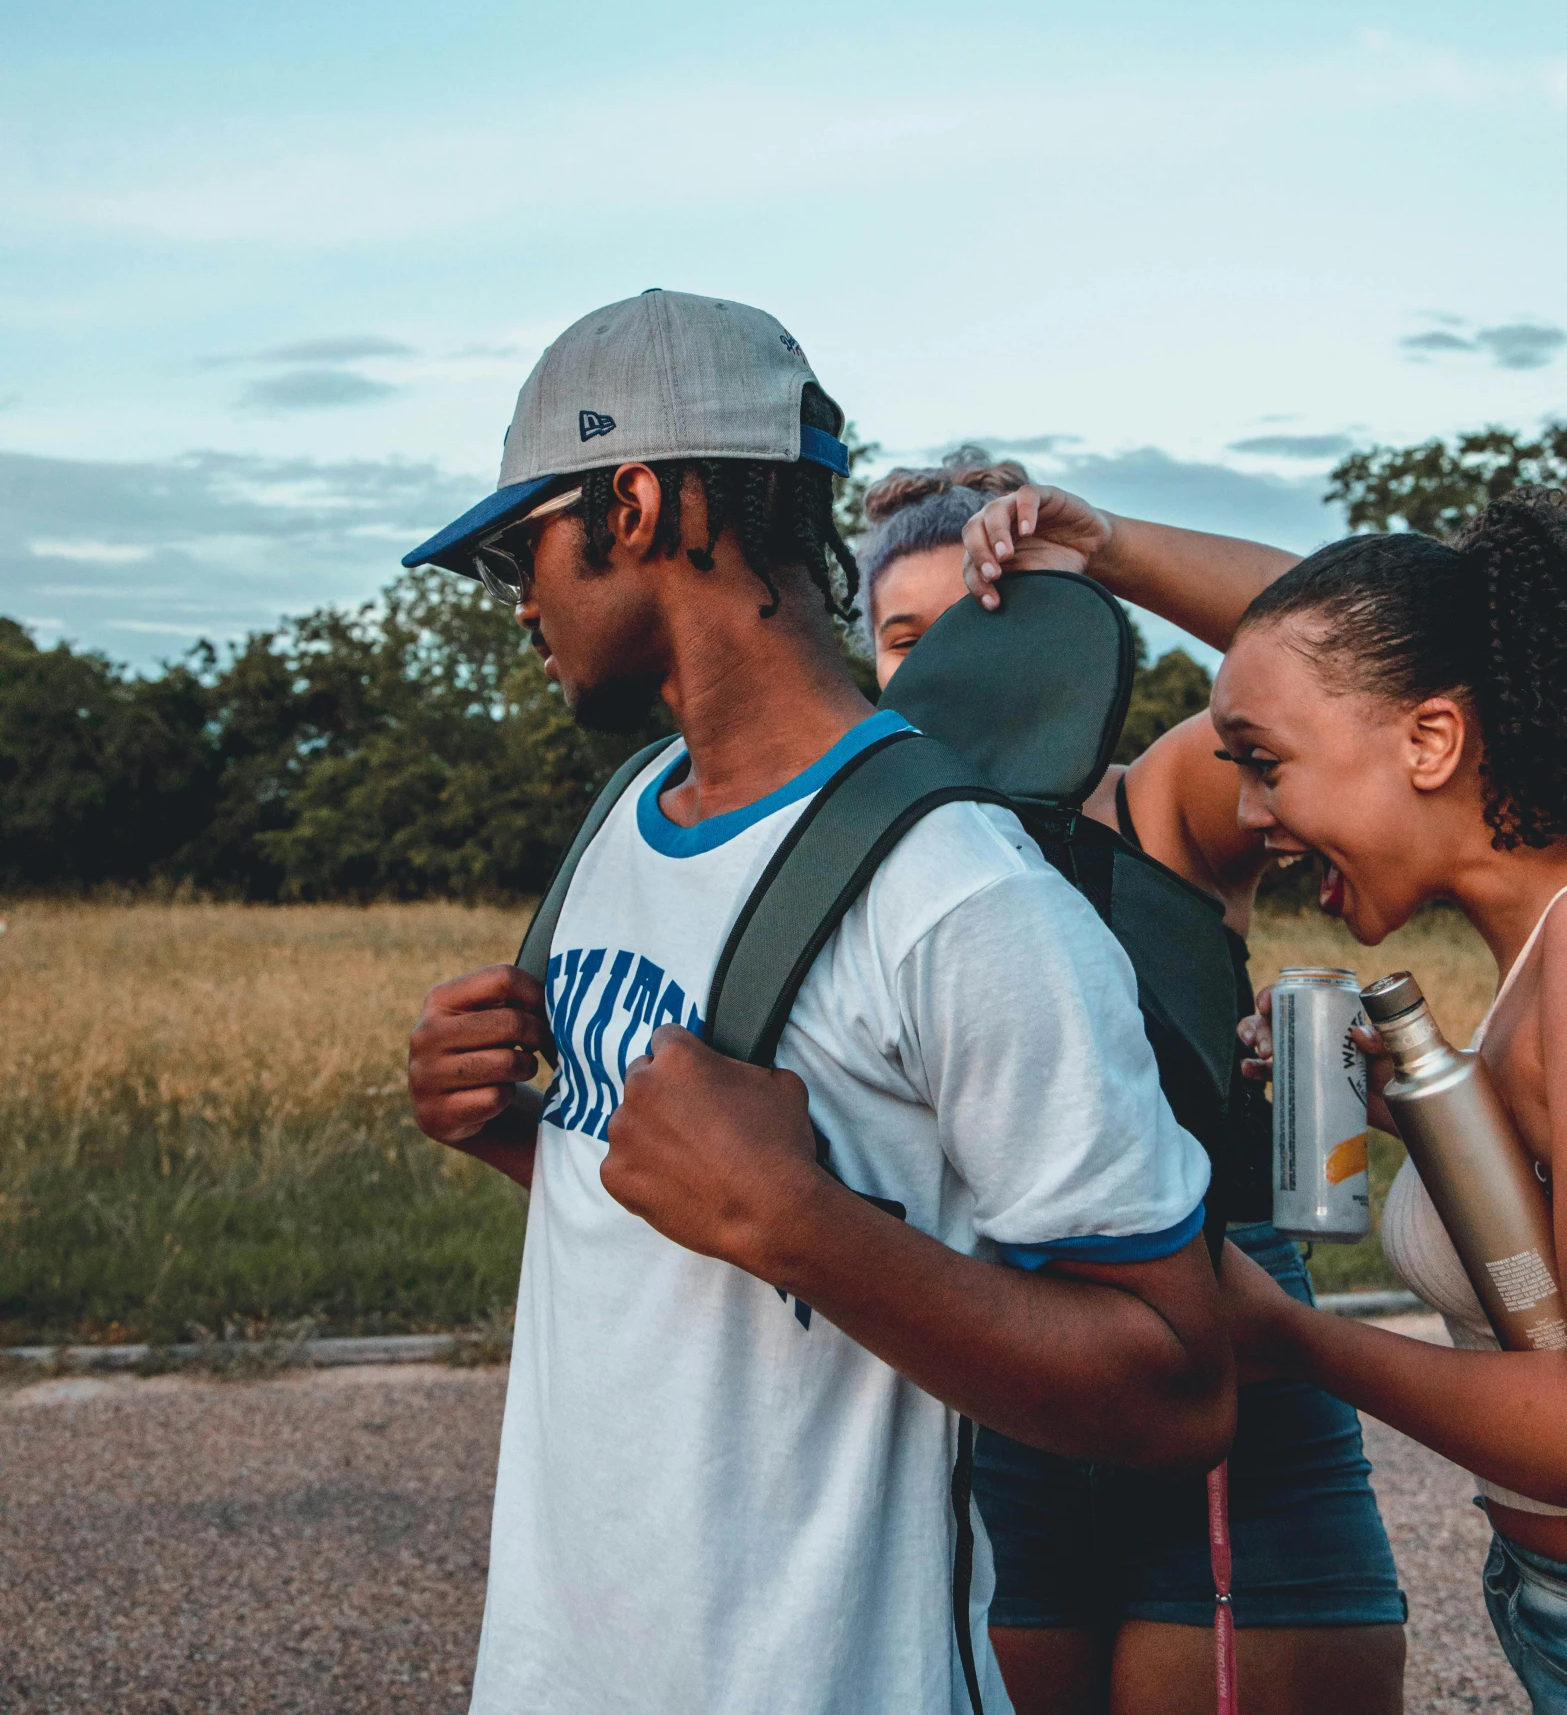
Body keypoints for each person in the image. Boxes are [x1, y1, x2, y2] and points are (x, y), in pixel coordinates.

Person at [402, 293, 1233, 1715]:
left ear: (637, 499)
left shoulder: (958, 893)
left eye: (512, 548)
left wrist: (801, 1223)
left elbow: (1173, 1386)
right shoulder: (625, 814)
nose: (514, 598)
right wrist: (503, 1128)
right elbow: (676, 1222)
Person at [963, 475, 1567, 1713]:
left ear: (1434, 742)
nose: (1252, 814)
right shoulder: (1526, 959)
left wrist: (1291, 1336)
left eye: (1264, 767)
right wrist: (1110, 546)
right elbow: (1371, 644)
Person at [861, 456, 1406, 1715]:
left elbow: (1376, 663)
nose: (948, 662)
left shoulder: (1161, 805)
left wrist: (1108, 546)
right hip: (984, 1394)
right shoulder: (838, 864)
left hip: (1236, 1373)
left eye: (981, 622)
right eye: (904, 635)